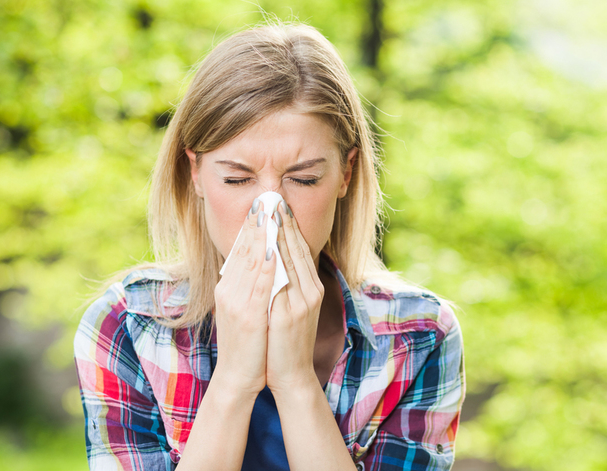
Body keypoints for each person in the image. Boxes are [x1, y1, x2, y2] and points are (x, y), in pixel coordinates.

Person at [74, 21, 465, 471]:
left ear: (346, 174)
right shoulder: (127, 326)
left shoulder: (419, 336)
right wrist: (235, 381)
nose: (271, 210)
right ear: (196, 173)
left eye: (303, 178)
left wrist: (296, 382)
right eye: (237, 178)